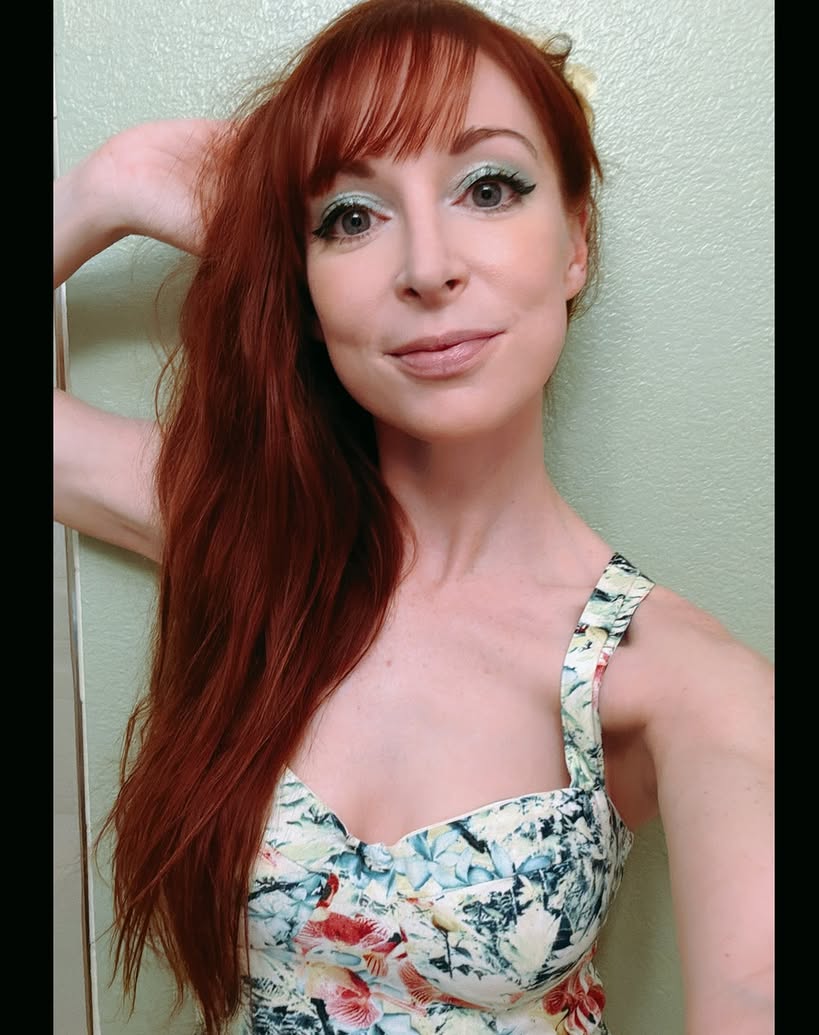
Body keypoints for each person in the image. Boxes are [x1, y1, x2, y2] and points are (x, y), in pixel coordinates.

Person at [52, 0, 773, 1032]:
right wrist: (106, 185)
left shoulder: (683, 683)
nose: (427, 267)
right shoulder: (256, 541)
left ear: (575, 242)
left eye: (490, 188)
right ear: (306, 288)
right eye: (351, 217)